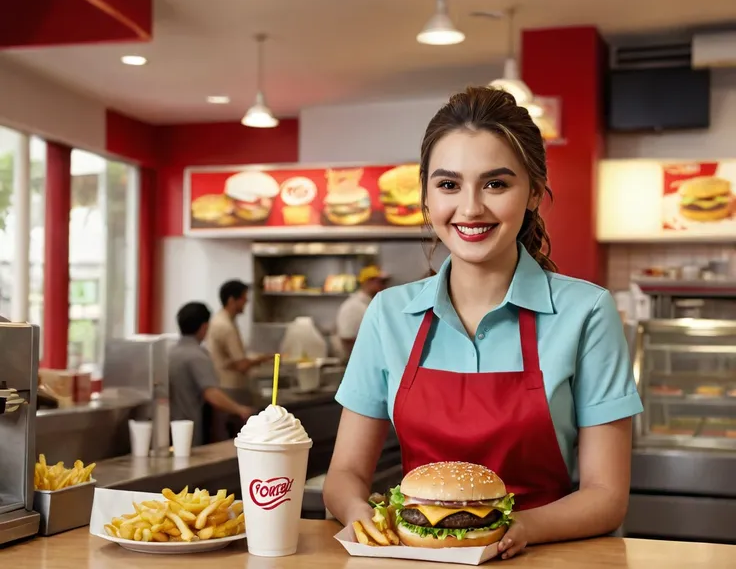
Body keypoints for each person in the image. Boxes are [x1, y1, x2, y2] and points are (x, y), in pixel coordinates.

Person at [322, 87, 643, 560]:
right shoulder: (389, 314)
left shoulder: (587, 313)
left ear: (534, 192)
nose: (470, 209)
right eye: (449, 185)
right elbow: (343, 477)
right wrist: (362, 516)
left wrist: (516, 528)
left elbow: (606, 496)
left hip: (541, 556)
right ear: (427, 198)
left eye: (496, 184)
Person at [168, 302, 254, 447]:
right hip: (189, 427)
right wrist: (240, 410)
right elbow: (211, 393)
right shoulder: (197, 356)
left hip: (168, 426)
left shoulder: (170, 352)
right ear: (204, 327)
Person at [206, 280, 272, 439]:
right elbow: (241, 365)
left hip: (226, 385)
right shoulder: (225, 326)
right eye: (243, 298)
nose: (246, 302)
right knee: (236, 440)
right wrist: (265, 358)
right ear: (231, 300)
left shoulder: (221, 320)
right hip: (231, 389)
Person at [335, 265, 388, 358]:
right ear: (368, 282)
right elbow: (347, 339)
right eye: (380, 282)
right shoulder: (353, 307)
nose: (383, 286)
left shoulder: (370, 304)